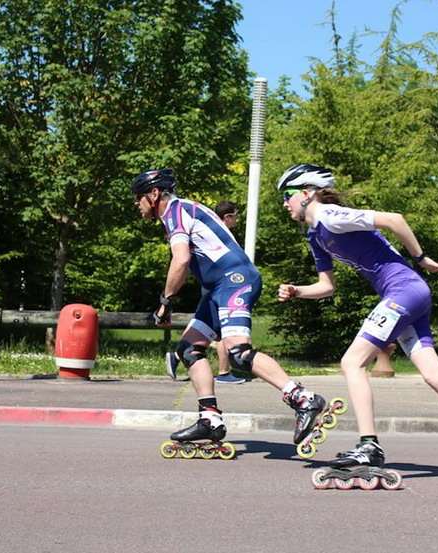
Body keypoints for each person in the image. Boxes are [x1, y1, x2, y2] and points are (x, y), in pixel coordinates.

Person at [276, 163, 438, 478]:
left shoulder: (329, 215)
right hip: (407, 297)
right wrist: (297, 291)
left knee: (352, 363)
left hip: (404, 292)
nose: (284, 203)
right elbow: (327, 286)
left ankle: (369, 446)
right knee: (436, 378)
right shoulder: (316, 235)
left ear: (307, 193)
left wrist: (421, 258)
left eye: (287, 195)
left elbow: (395, 220)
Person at [132, 168, 326, 448]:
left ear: (154, 194)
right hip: (217, 289)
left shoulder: (175, 211)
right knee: (188, 348)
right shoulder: (179, 212)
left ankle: (302, 398)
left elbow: (181, 260)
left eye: (139, 198)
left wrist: (165, 302)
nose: (137, 205)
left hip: (234, 280)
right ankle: (209, 419)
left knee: (238, 352)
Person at [210, 200, 246, 384]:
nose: (237, 220)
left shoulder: (217, 233)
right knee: (224, 331)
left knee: (215, 330)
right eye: (235, 216)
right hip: (222, 285)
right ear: (227, 217)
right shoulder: (221, 236)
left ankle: (177, 356)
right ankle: (224, 373)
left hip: (218, 284)